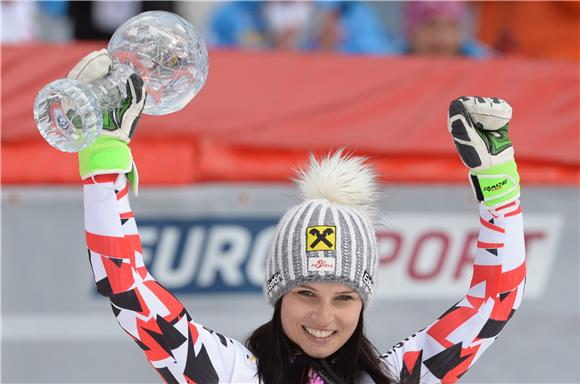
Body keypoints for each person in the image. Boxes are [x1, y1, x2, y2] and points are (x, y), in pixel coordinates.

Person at [69, 51, 525, 383]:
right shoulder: (232, 375)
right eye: (306, 291)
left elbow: (495, 301)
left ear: (364, 301)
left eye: (344, 297)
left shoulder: (396, 378)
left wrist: (500, 186)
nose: (323, 316)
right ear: (277, 293)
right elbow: (127, 288)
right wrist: (104, 159)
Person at [396, 1, 491, 58]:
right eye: (431, 25)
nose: (441, 37)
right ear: (412, 33)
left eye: (450, 26)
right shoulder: (390, 62)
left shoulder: (483, 61)